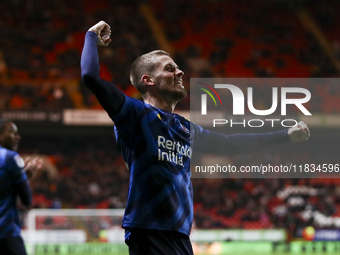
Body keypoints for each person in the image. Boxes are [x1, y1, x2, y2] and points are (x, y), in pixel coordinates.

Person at [81, 21, 310, 255]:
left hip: (179, 235)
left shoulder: (185, 128)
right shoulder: (135, 115)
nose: (179, 72)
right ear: (148, 80)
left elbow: (231, 144)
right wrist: (91, 36)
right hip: (149, 232)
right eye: (169, 69)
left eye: (177, 67)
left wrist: (285, 135)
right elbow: (90, 77)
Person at [0, 119, 43, 255]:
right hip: (5, 234)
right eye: (12, 133)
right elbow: (26, 200)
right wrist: (25, 177)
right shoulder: (10, 158)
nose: (17, 137)